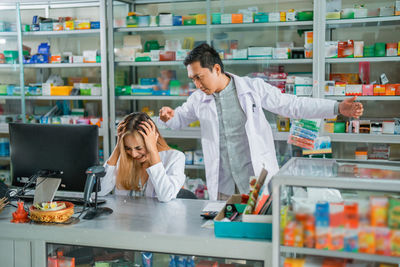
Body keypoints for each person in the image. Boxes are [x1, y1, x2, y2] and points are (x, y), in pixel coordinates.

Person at [159, 43, 364, 201]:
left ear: (216, 69)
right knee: (225, 241)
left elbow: (292, 105)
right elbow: (179, 119)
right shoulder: (198, 98)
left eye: (199, 77)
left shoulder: (253, 88)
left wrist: (336, 107)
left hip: (255, 181)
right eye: (192, 79)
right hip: (224, 187)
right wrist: (169, 116)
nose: (196, 84)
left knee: (257, 239)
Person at [99, 112, 186, 202]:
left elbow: (165, 196)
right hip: (126, 215)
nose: (133, 154)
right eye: (128, 148)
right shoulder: (125, 156)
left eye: (139, 148)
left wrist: (153, 151)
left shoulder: (175, 158)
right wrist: (118, 147)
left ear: (153, 140)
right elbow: (100, 191)